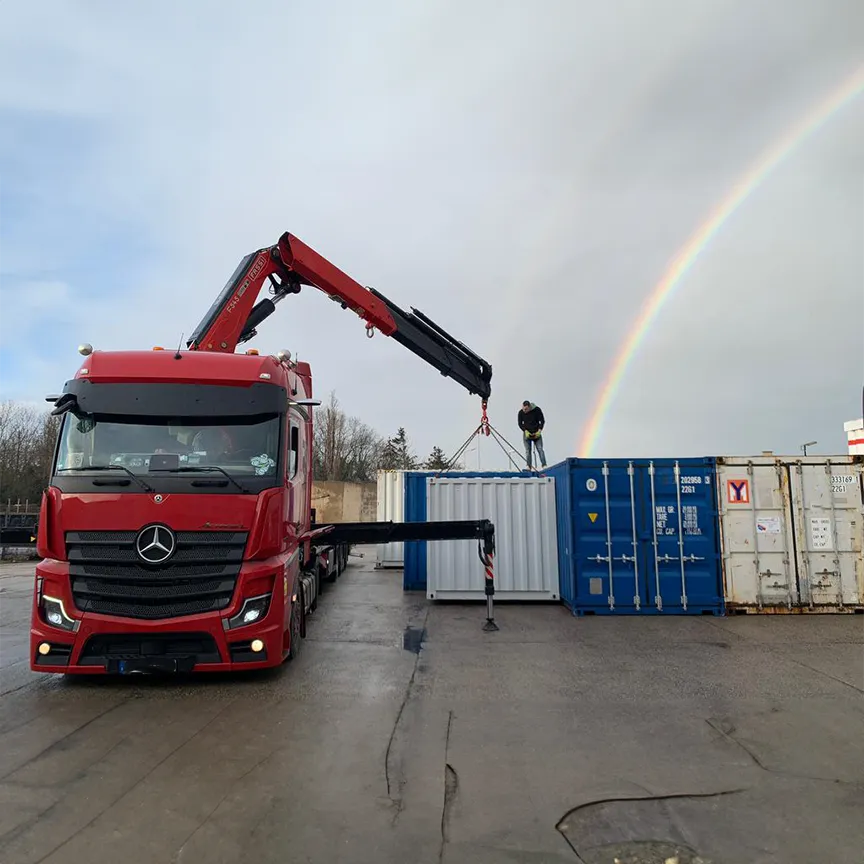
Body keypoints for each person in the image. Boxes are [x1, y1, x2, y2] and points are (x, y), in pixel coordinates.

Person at [518, 400, 547, 470]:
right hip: (527, 434)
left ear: (530, 407)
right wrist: (525, 431)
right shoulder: (521, 412)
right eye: (523, 408)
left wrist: (539, 430)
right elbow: (520, 423)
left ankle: (544, 465)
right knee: (528, 451)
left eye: (526, 409)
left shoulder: (537, 410)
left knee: (540, 449)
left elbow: (542, 421)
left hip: (536, 433)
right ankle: (528, 466)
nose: (524, 410)